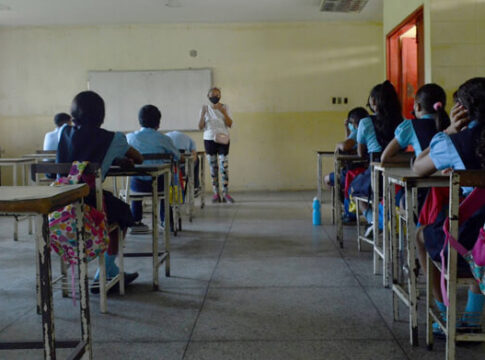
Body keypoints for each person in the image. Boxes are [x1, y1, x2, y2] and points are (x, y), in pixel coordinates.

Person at [413, 77, 485, 335]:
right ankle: (473, 316)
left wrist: (449, 131)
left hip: (469, 247)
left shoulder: (454, 143)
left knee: (422, 235)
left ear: (461, 111)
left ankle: (446, 313)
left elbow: (417, 166)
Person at [57, 91, 143, 292]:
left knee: (114, 206)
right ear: (101, 115)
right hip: (91, 205)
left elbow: (75, 159)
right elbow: (139, 158)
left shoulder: (63, 133)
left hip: (60, 205)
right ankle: (107, 270)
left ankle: (108, 270)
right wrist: (118, 157)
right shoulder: (113, 138)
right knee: (123, 213)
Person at [350, 81, 403, 231]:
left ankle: (375, 221)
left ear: (373, 101)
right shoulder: (403, 122)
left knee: (355, 189)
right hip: (398, 179)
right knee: (388, 196)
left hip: (376, 176)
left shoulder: (365, 123)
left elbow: (361, 153)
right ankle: (382, 220)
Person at [127, 105, 181, 234]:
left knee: (135, 175)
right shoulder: (164, 139)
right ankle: (165, 220)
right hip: (159, 185)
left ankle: (136, 221)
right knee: (166, 180)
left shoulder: (130, 138)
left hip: (138, 186)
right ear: (158, 123)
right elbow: (177, 157)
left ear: (139, 121)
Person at [381, 83, 450, 162]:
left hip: (425, 172)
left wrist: (416, 159)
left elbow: (385, 157)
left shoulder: (410, 126)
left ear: (418, 106)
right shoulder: (453, 125)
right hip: (451, 173)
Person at [198, 87, 234, 203]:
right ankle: (215, 194)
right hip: (209, 139)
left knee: (224, 166)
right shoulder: (205, 108)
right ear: (208, 96)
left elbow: (230, 124)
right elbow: (200, 126)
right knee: (213, 167)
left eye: (218, 94)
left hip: (223, 138)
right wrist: (203, 114)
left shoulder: (225, 107)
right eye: (213, 94)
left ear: (220, 96)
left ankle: (226, 193)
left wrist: (223, 112)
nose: (215, 97)